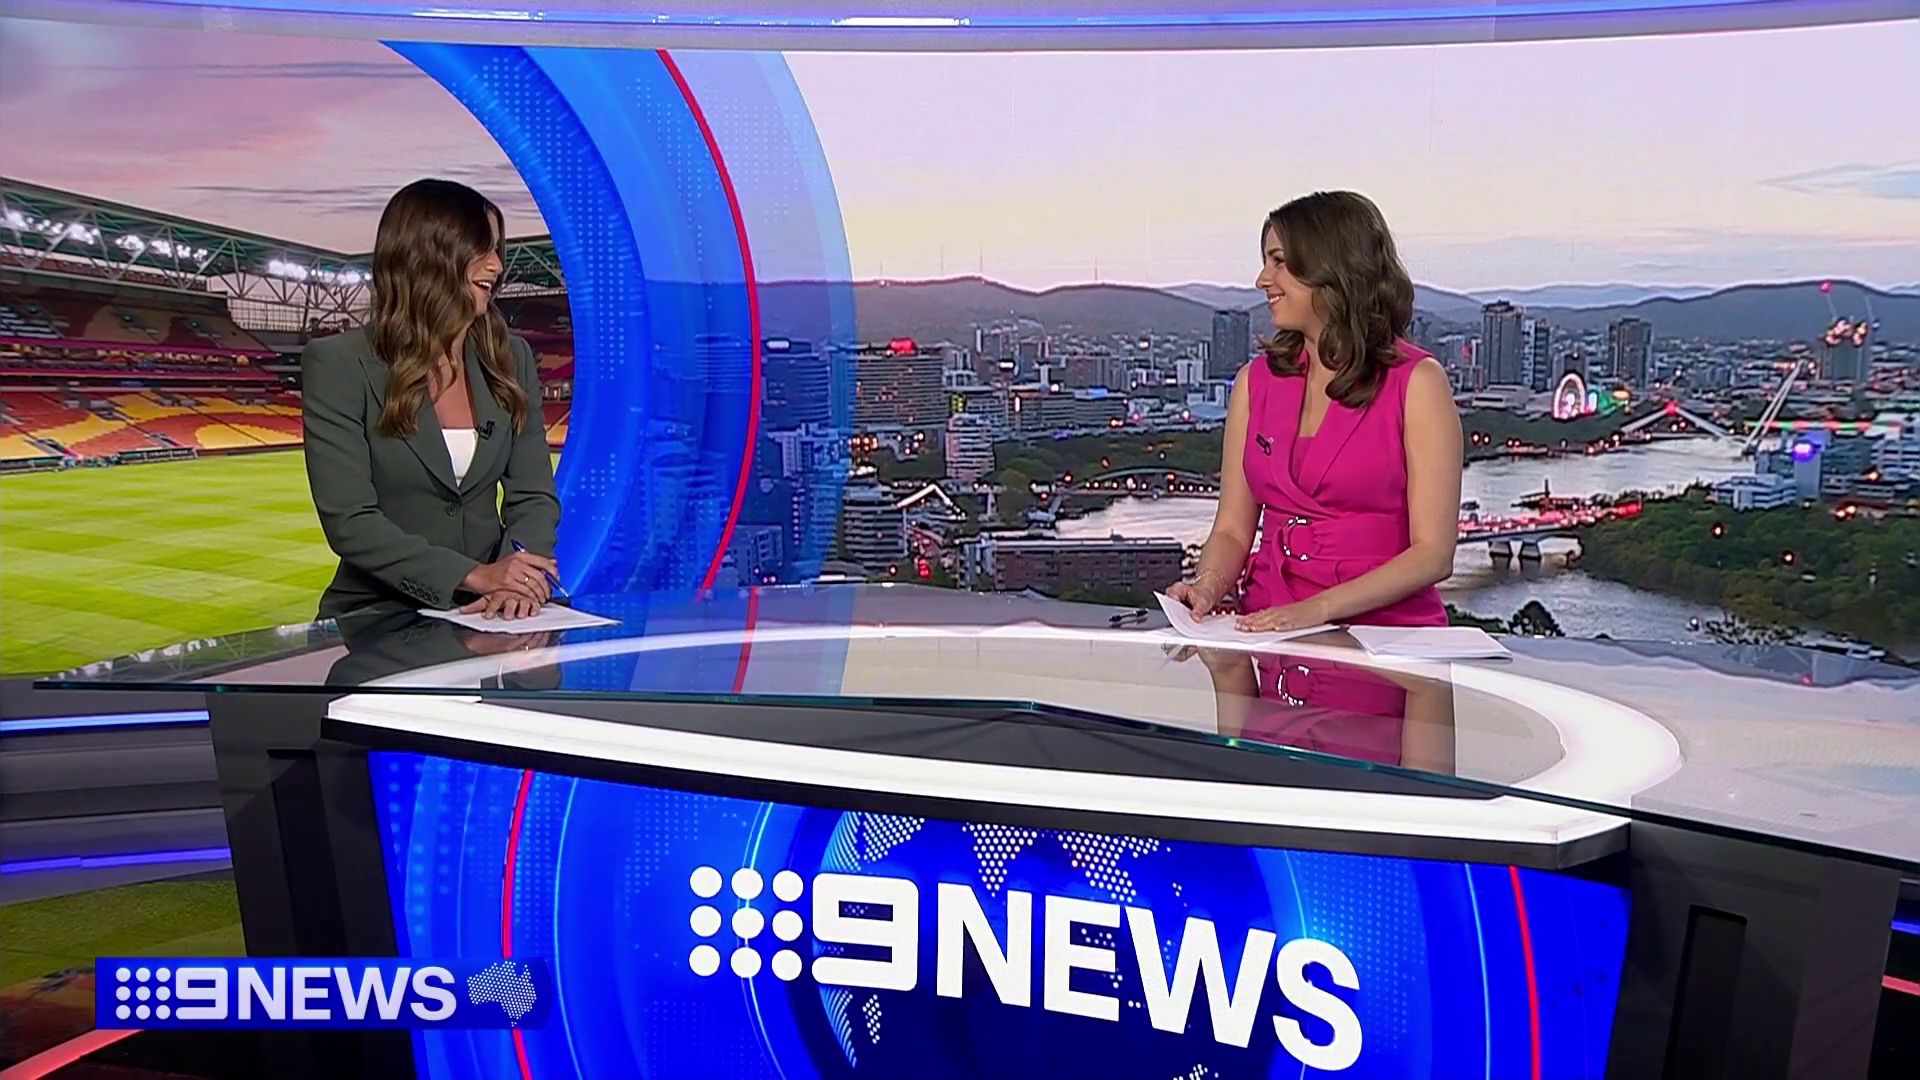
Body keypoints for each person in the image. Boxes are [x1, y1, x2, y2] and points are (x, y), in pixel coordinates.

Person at [1168, 191, 1461, 631]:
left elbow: (1433, 554)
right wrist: (1206, 586)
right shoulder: (1254, 383)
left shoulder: (1418, 383)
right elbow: (1231, 529)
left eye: (1279, 262)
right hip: (1266, 626)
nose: (1262, 280)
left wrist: (1316, 609)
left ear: (1333, 269)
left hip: (1385, 636)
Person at [302, 178, 560, 621]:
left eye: (498, 249)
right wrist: (475, 576)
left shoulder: (510, 358)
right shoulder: (339, 362)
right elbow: (350, 521)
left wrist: (517, 576)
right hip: (380, 614)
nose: (497, 265)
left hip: (496, 609)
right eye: (482, 249)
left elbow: (534, 495)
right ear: (429, 256)